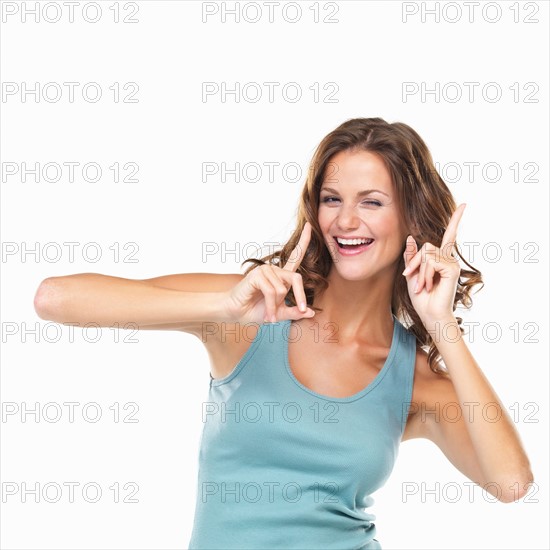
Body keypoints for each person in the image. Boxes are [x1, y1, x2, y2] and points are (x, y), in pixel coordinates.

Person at [34, 117, 534, 549]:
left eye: (372, 202)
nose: (345, 220)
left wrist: (442, 324)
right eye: (331, 199)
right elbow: (55, 299)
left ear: (410, 216)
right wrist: (222, 308)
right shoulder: (252, 315)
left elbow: (510, 483)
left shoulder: (415, 380)